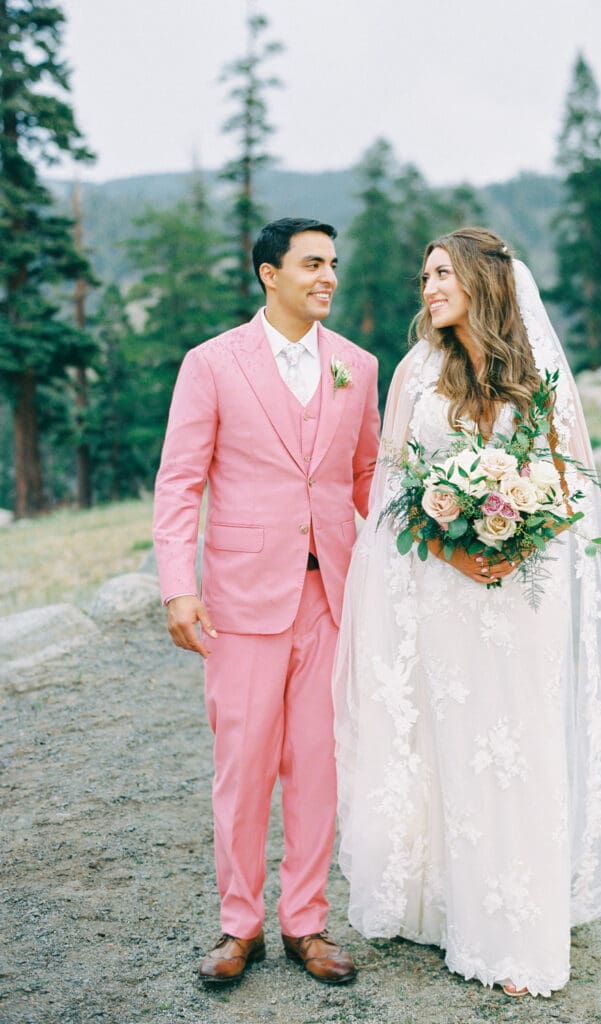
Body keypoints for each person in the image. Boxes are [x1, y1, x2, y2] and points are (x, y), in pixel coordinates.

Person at [332, 227, 601, 998]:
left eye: (441, 273)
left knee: (516, 747)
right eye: (423, 274)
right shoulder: (413, 372)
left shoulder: (530, 369)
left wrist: (518, 532)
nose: (428, 287)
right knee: (451, 745)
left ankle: (517, 933)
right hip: (444, 588)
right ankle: (448, 905)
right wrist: (452, 542)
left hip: (520, 592)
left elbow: (571, 484)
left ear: (482, 281)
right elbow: (390, 489)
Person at [153, 217, 380, 987]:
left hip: (331, 598)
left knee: (318, 766)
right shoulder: (212, 364)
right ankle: (237, 924)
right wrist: (178, 586)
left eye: (335, 265)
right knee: (243, 767)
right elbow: (180, 482)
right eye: (313, 264)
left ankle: (306, 923)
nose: (329, 278)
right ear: (268, 274)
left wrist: (443, 531)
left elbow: (367, 479)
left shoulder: (358, 365)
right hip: (242, 600)